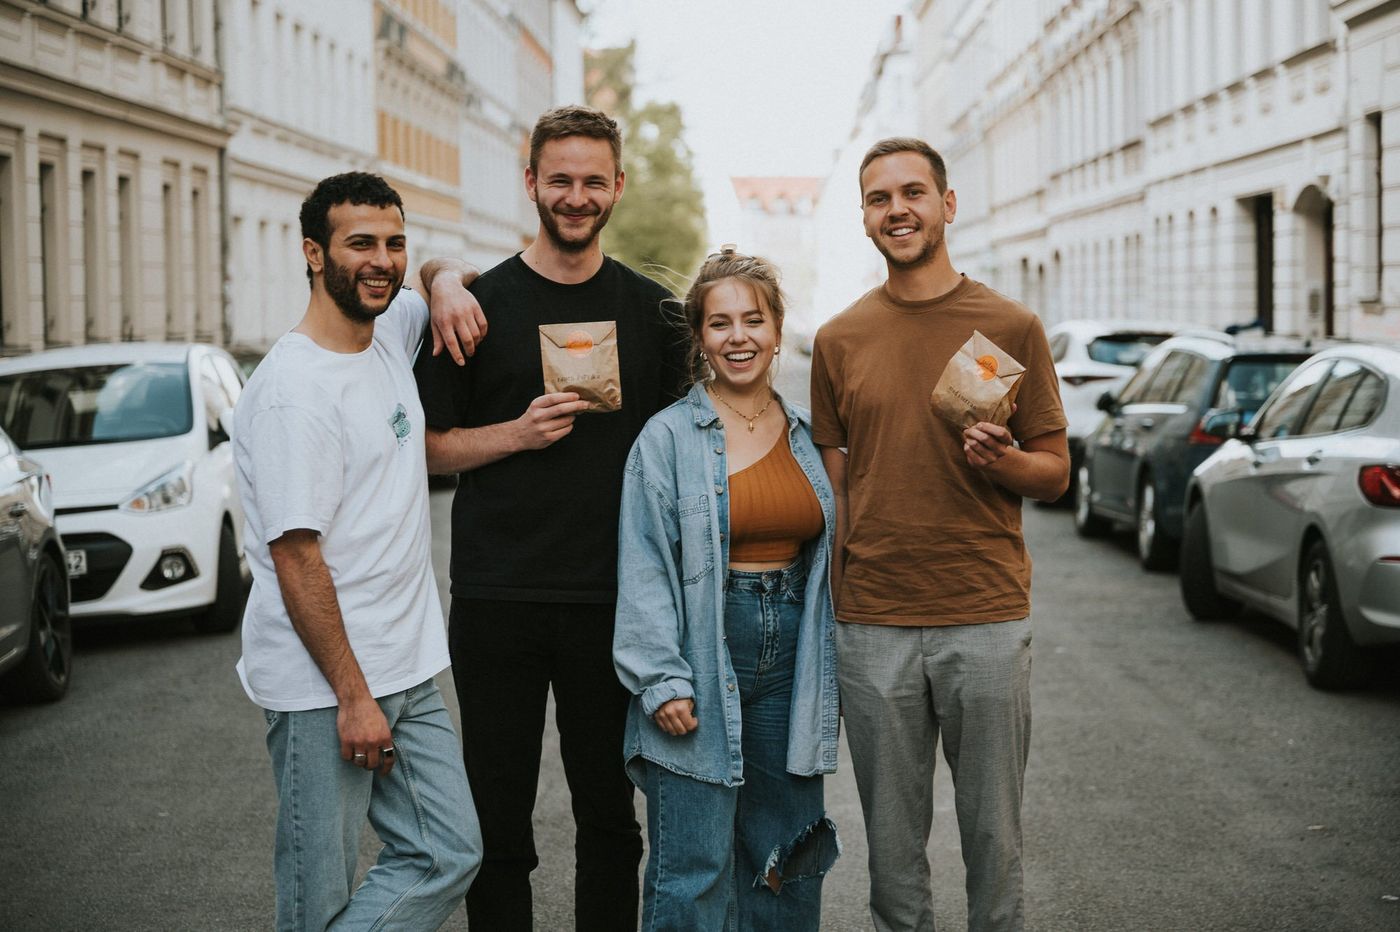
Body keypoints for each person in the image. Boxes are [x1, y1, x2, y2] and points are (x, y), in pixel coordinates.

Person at [413, 104, 687, 931]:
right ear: (530, 182)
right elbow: (425, 449)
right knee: (498, 824)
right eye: (559, 179)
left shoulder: (655, 313)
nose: (576, 196)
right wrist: (515, 434)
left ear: (618, 187)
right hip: (498, 597)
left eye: (592, 181)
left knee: (610, 816)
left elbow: (689, 447)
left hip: (616, 600)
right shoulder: (473, 306)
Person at [810, 138, 1070, 932]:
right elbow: (839, 490)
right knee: (892, 850)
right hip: (874, 625)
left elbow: (1056, 472)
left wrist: (1006, 461)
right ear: (863, 218)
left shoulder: (1011, 325)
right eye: (880, 198)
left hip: (985, 613)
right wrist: (838, 609)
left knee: (995, 837)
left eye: (914, 192)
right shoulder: (838, 339)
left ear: (947, 204)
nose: (898, 210)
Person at [233, 172, 487, 931]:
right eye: (360, 244)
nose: (382, 260)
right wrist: (352, 697)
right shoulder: (293, 393)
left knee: (450, 853)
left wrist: (440, 281)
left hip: (405, 664)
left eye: (394, 243)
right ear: (314, 254)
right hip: (326, 686)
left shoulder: (391, 332)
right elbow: (297, 558)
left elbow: (446, 273)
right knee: (318, 894)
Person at [612, 248, 842, 931]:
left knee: (787, 857)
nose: (737, 336)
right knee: (694, 868)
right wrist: (661, 679)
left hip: (793, 657)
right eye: (719, 323)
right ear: (700, 337)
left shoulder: (806, 434)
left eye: (752, 320)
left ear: (776, 330)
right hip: (703, 656)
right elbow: (644, 562)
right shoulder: (668, 439)